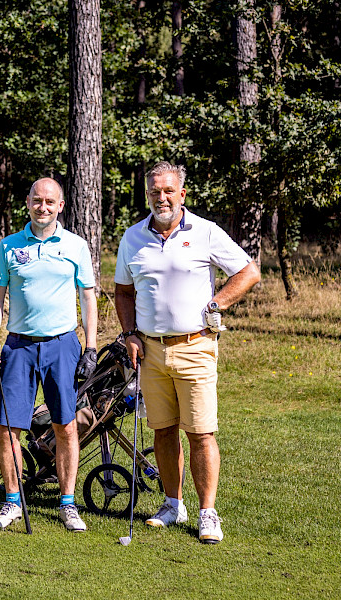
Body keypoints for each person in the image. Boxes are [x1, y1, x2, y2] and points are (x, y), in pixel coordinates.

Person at [113, 161, 261, 544]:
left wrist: (216, 305)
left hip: (196, 347)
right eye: (154, 192)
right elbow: (123, 292)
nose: (161, 198)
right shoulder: (132, 237)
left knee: (200, 433)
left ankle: (207, 513)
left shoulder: (205, 231)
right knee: (163, 431)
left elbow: (248, 272)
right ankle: (172, 504)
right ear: (147, 195)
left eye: (168, 191)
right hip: (150, 351)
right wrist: (129, 334)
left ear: (182, 193)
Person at [0, 177, 98, 533]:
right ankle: (12, 502)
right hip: (18, 346)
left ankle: (67, 503)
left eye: (50, 201)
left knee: (65, 425)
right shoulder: (9, 245)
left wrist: (91, 346)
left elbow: (88, 297)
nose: (43, 207)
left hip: (61, 345)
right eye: (37, 200)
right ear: (28, 202)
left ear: (61, 206)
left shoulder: (76, 245)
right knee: (8, 429)